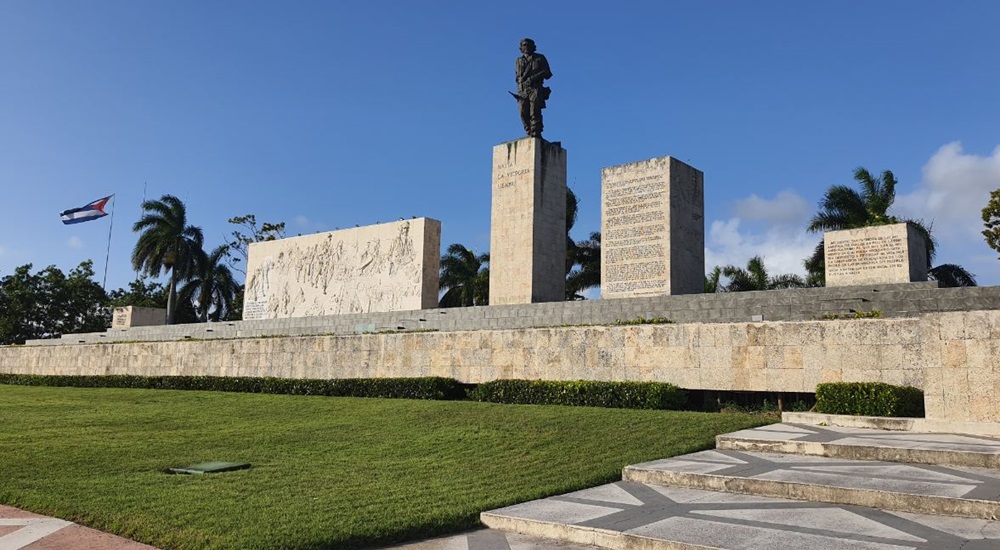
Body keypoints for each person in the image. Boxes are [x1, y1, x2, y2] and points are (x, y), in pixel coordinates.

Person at [514, 38, 552, 138]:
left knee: (534, 111)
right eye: (524, 45)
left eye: (528, 45)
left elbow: (547, 73)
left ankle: (536, 131)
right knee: (523, 112)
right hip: (522, 90)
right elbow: (517, 77)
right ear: (521, 48)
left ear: (533, 47)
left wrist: (534, 78)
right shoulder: (519, 60)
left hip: (535, 88)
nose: (526, 47)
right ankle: (528, 130)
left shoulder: (540, 58)